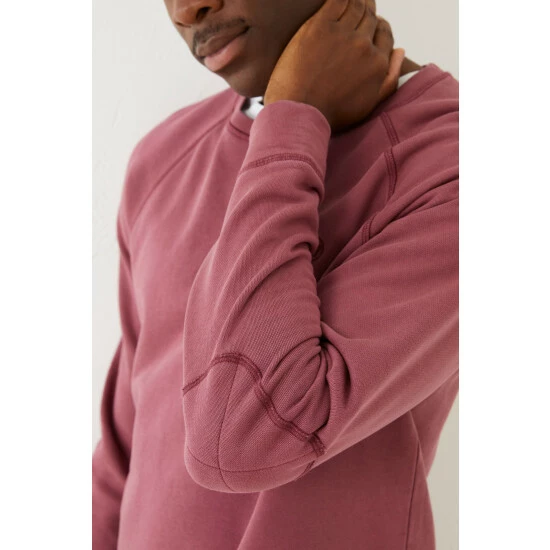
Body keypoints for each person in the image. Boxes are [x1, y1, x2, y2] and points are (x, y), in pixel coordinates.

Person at [92, 0, 458, 548]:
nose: (187, 10)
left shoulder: (454, 169)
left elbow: (239, 441)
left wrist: (292, 118)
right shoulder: (162, 160)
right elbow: (122, 455)